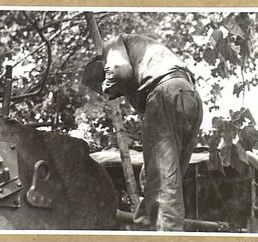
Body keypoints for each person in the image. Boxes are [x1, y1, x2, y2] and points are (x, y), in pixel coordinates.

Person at [82, 33, 203, 231]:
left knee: (164, 182)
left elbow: (120, 72)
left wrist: (106, 88)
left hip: (167, 93)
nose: (112, 96)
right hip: (189, 96)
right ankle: (147, 226)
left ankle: (168, 240)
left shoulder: (113, 45)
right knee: (157, 177)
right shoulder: (143, 60)